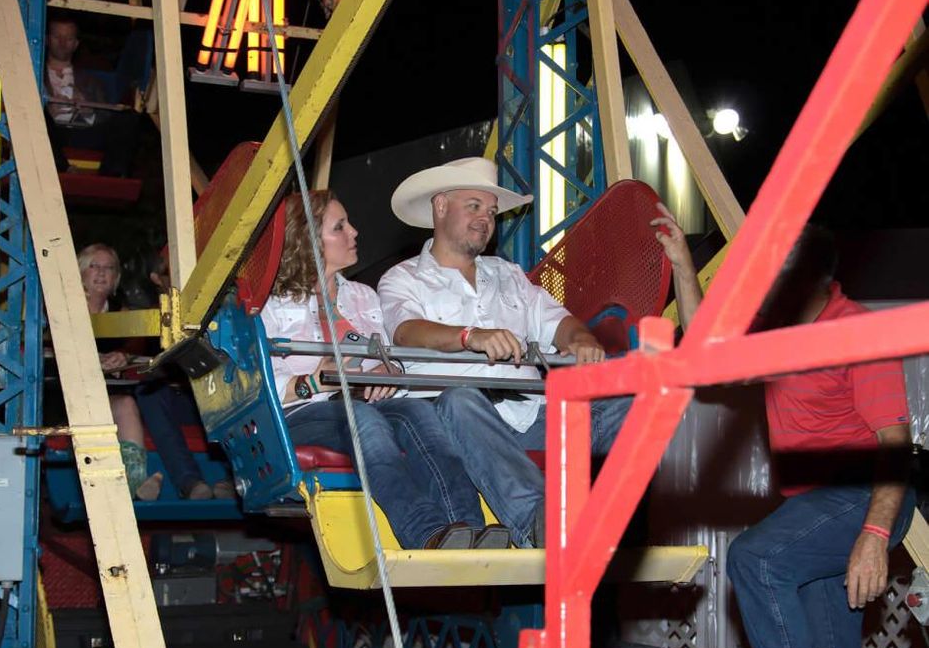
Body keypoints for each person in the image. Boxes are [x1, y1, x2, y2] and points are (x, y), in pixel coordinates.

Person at [377, 157, 698, 547]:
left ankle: (615, 517)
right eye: (474, 206)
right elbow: (407, 331)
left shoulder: (508, 275)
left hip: (532, 415)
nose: (485, 219)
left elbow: (558, 321)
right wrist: (469, 336)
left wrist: (580, 339)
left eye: (492, 212)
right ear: (440, 206)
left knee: (638, 396)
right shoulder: (402, 278)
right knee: (459, 399)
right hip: (458, 421)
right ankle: (542, 522)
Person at [725, 226, 916, 648]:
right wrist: (682, 262)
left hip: (865, 497)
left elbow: (895, 445)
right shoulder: (777, 333)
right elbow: (711, 355)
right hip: (813, 512)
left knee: (756, 559)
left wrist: (874, 535)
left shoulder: (854, 333)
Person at [261, 190, 510, 550]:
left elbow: (388, 352)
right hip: (298, 414)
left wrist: (386, 367)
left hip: (358, 402)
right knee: (366, 421)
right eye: (340, 227)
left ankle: (467, 526)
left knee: (422, 415)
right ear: (308, 240)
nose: (355, 233)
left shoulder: (361, 296)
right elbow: (257, 386)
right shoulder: (270, 307)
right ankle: (424, 531)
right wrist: (314, 380)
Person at [134, 252, 236, 500]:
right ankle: (190, 483)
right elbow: (137, 365)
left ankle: (233, 478)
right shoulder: (146, 318)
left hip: (206, 395)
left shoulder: (216, 309)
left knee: (228, 386)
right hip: (170, 399)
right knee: (150, 394)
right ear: (158, 278)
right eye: (176, 273)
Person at [77, 243, 162, 500]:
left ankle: (135, 482)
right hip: (65, 394)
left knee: (126, 404)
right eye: (95, 266)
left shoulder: (120, 311)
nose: (102, 273)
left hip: (105, 394)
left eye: (109, 268)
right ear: (81, 271)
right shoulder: (61, 307)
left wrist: (123, 355)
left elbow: (137, 343)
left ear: (116, 278)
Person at [45, 14, 139, 177]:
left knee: (128, 117)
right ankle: (61, 168)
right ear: (47, 39)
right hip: (50, 132)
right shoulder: (34, 76)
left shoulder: (91, 81)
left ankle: (111, 176)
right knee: (38, 116)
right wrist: (47, 109)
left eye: (68, 38)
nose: (62, 43)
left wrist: (89, 111)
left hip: (83, 131)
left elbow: (106, 115)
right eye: (57, 36)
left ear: (76, 44)